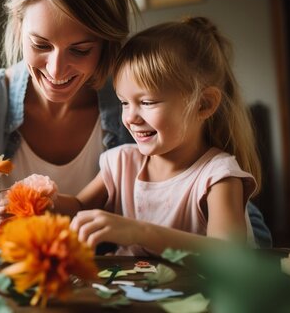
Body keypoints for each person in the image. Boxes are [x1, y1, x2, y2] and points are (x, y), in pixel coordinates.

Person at [0, 0, 271, 247]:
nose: (56, 69)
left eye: (80, 50)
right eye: (40, 45)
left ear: (107, 42)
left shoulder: (140, 102)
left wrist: (143, 233)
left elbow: (246, 235)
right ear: (18, 26)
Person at [65, 16, 263, 255]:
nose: (130, 117)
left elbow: (230, 255)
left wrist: (139, 232)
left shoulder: (218, 175)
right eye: (124, 103)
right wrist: (38, 201)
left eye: (147, 102)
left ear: (204, 104)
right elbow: (77, 207)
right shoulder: (121, 163)